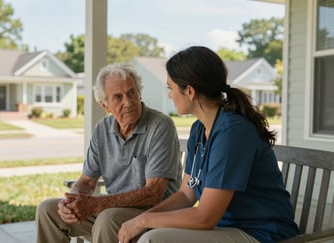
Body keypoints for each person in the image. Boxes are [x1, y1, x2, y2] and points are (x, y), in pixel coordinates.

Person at [118, 46, 300, 243]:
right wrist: (140, 220)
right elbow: (187, 195)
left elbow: (205, 217)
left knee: (153, 239)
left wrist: (145, 221)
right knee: (145, 232)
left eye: (170, 88)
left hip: (262, 233)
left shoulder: (232, 132)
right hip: (225, 228)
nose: (170, 95)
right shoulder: (199, 129)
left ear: (189, 91)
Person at [35, 63, 182, 243]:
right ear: (105, 105)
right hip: (113, 209)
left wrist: (97, 204)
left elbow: (153, 193)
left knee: (107, 218)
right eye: (118, 97)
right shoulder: (102, 129)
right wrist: (72, 201)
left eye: (131, 93)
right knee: (47, 210)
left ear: (139, 93)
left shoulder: (160, 125)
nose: (127, 102)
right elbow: (87, 181)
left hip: (152, 214)